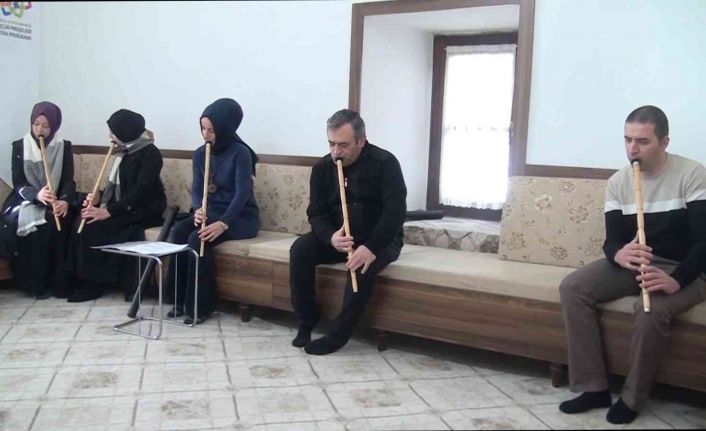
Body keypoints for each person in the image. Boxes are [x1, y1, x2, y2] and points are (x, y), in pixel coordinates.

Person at [558, 105, 706, 424]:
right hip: (639, 262)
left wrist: (677, 280)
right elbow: (612, 242)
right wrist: (618, 255)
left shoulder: (692, 174)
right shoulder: (619, 182)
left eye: (642, 141)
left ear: (664, 142)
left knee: (649, 309)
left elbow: (703, 242)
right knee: (573, 287)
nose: (632, 149)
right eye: (627, 140)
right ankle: (593, 387)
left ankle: (633, 398)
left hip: (686, 267)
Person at [290, 109, 407, 355]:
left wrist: (371, 247)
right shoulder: (323, 168)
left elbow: (395, 213)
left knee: (361, 265)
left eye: (343, 145)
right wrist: (330, 237)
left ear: (361, 141)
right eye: (331, 144)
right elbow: (316, 213)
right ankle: (306, 320)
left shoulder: (385, 163)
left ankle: (338, 335)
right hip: (339, 237)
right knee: (300, 250)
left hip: (379, 238)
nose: (336, 151)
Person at [167, 98, 260, 325]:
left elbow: (242, 194)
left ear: (225, 128)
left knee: (197, 238)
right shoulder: (200, 154)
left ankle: (200, 306)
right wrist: (198, 209)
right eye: (203, 129)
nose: (206, 135)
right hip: (212, 213)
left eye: (212, 130)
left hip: (240, 217)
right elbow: (197, 189)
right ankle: (177, 299)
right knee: (178, 231)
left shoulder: (241, 153)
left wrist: (223, 223)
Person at [66, 109, 166, 302]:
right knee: (83, 220)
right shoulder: (123, 153)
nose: (111, 136)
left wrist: (108, 211)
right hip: (124, 207)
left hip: (143, 209)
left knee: (94, 227)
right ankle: (79, 280)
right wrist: (98, 197)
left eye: (113, 132)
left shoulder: (150, 153)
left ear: (125, 131)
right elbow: (118, 188)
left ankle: (94, 284)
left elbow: (140, 191)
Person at [1, 101, 77, 299]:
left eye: (45, 126)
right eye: (36, 124)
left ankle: (59, 284)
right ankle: (35, 285)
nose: (39, 130)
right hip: (26, 199)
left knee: (60, 222)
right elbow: (18, 182)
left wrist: (64, 200)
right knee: (38, 226)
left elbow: (68, 180)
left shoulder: (64, 147)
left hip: (56, 199)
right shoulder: (20, 146)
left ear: (54, 126)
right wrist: (37, 195)